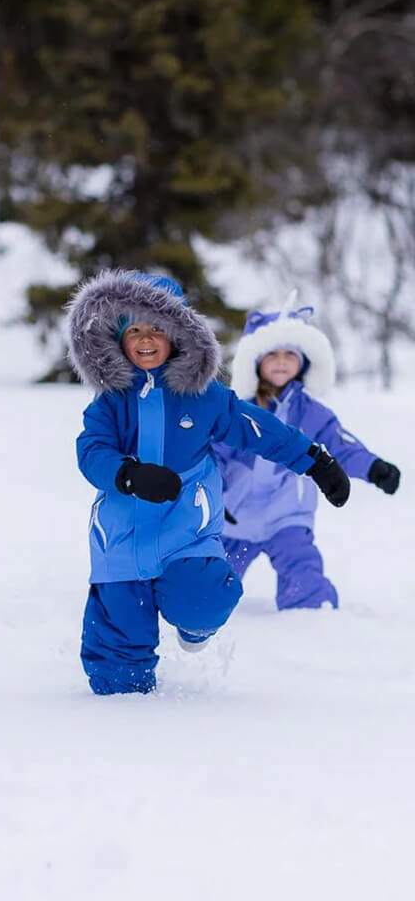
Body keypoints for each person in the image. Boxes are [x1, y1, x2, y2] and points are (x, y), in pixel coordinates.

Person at [69, 270, 351, 695]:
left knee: (203, 598)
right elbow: (91, 451)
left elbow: (258, 428)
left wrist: (315, 461)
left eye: (158, 329)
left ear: (179, 333)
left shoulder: (204, 397)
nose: (146, 339)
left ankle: (195, 629)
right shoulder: (110, 399)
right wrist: (127, 474)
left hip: (185, 529)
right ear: (119, 337)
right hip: (121, 538)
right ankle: (121, 720)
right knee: (118, 653)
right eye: (135, 330)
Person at [215, 298, 400, 610]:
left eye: (290, 354)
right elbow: (215, 455)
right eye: (272, 354)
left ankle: (310, 619)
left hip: (286, 516)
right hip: (234, 518)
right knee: (211, 588)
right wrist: (215, 495)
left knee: (304, 573)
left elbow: (341, 445)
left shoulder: (311, 412)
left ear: (304, 362)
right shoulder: (238, 411)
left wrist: (374, 468)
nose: (282, 362)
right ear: (256, 361)